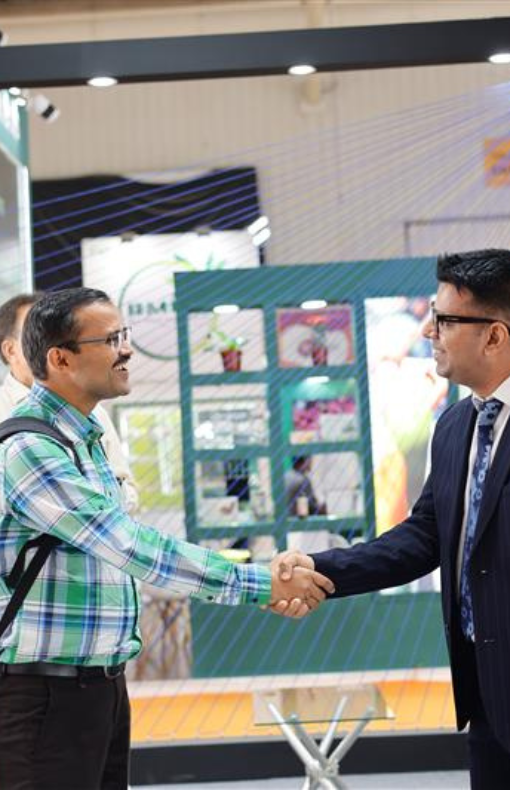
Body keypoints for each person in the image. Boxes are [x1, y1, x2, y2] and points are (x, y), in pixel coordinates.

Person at [0, 287, 334, 790]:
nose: (126, 350)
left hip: (99, 688)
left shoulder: (85, 441)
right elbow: (131, 546)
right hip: (43, 696)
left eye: (125, 335)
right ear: (60, 358)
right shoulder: (29, 448)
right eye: (111, 339)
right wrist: (262, 584)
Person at [274, 249, 510, 790]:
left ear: (494, 336)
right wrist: (317, 568)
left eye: (446, 319)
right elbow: (422, 537)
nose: (429, 328)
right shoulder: (456, 426)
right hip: (486, 696)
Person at [0, 292, 139, 514]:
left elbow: (124, 488)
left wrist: (100, 503)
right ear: (10, 350)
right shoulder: (24, 438)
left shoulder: (92, 414)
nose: (126, 350)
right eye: (34, 335)